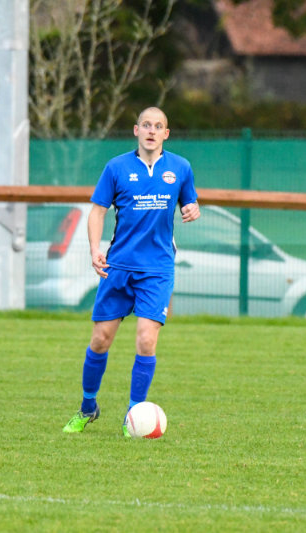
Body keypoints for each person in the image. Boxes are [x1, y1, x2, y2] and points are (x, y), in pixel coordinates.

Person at [62, 106, 201, 436]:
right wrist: (95, 249)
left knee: (146, 340)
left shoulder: (180, 168)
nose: (152, 131)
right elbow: (97, 211)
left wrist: (193, 208)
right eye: (146, 125)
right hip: (119, 266)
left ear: (166, 134)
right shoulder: (116, 167)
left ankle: (133, 415)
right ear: (136, 130)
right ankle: (87, 407)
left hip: (157, 269)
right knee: (100, 340)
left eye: (158, 126)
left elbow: (189, 202)